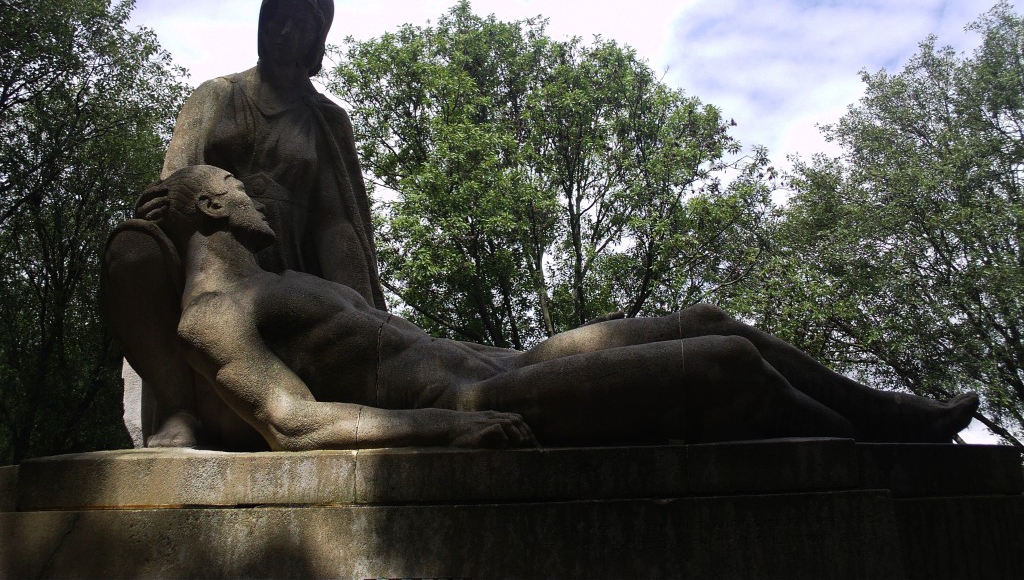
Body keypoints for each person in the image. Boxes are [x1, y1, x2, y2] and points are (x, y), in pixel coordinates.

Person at [114, 164, 979, 451]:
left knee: (710, 322)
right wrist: (447, 432)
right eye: (235, 185)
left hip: (509, 360)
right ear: (212, 208)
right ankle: (871, 455)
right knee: (725, 368)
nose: (257, 194)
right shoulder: (216, 316)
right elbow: (294, 422)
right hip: (477, 402)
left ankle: (893, 421)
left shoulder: (277, 285)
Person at [101, 0, 386, 448]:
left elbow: (336, 225)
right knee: (130, 248)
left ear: (317, 40)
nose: (283, 30)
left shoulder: (327, 120)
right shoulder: (217, 95)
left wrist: (364, 314)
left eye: (300, 22)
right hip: (214, 259)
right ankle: (177, 409)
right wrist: (158, 205)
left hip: (291, 272)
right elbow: (177, 180)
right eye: (276, 16)